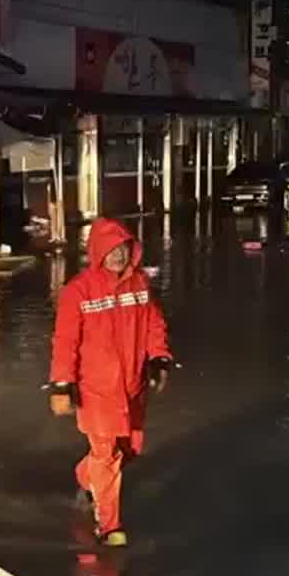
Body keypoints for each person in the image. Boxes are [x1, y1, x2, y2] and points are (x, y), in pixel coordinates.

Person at [48, 218, 174, 548]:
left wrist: (159, 358)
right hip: (96, 390)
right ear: (98, 252)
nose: (117, 256)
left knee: (130, 448)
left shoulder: (140, 285)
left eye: (123, 249)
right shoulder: (77, 292)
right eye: (111, 250)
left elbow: (154, 326)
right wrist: (62, 385)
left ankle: (85, 477)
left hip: (132, 387)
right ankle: (108, 527)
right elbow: (65, 342)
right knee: (107, 455)